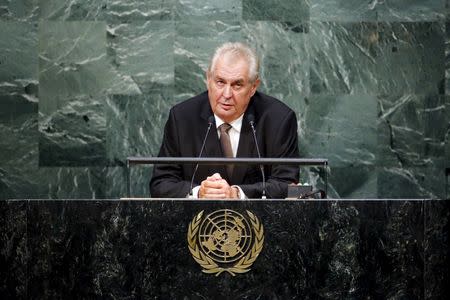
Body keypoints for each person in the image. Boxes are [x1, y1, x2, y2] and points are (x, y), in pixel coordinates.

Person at [150, 42, 299, 199]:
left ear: (253, 87)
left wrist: (236, 193)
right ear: (208, 79)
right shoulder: (182, 118)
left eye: (237, 85)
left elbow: (287, 184)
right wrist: (199, 192)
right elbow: (161, 183)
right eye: (220, 82)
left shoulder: (279, 119)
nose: (226, 94)